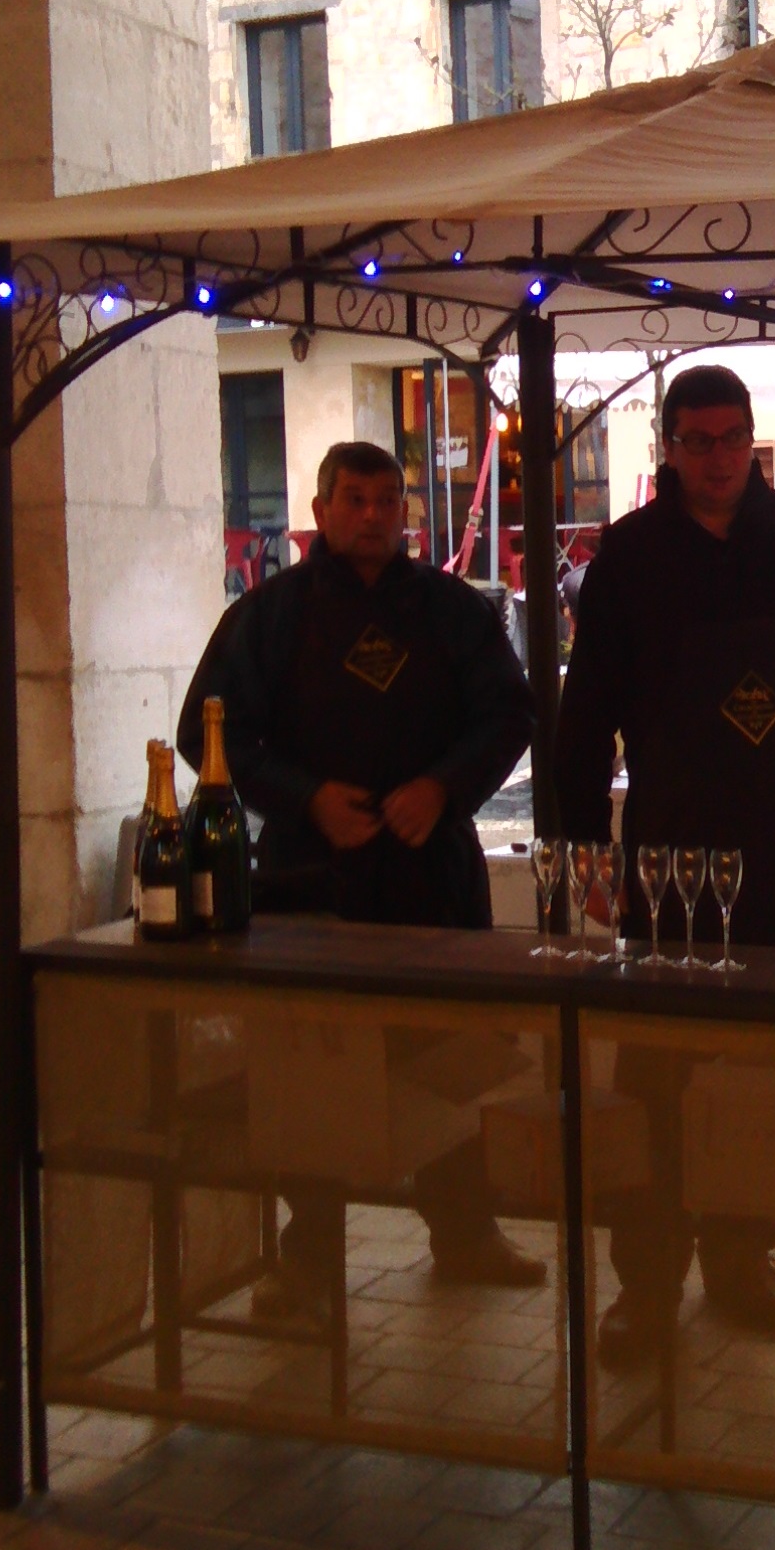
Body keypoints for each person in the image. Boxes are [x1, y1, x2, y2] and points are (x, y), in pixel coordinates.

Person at [554, 365, 775, 1367]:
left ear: (751, 439)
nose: (715, 457)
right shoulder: (627, 554)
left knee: (768, 1069)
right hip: (674, 853)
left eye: (730, 437)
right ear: (667, 447)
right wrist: (583, 847)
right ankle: (644, 1284)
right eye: (695, 440)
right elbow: (586, 717)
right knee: (660, 1071)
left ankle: (745, 1255)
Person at [180, 440, 543, 1311]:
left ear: (407, 512)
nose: (373, 514)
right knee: (314, 1074)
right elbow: (208, 731)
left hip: (432, 877)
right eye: (354, 498)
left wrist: (442, 787)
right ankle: (308, 1261)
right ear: (322, 507)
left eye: (388, 499)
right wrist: (305, 801)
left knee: (448, 1061)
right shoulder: (267, 616)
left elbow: (508, 713)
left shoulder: (454, 610)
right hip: (312, 882)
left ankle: (466, 1231)